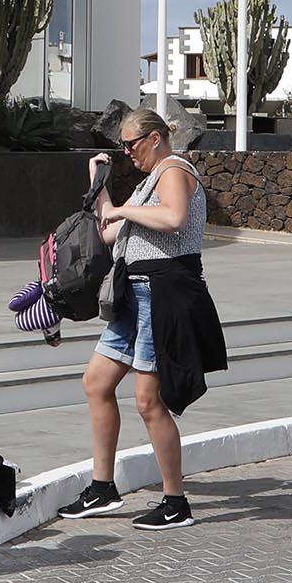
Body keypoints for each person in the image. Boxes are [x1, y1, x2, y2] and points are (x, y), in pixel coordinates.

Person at [57, 106, 225, 531]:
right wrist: (100, 187)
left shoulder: (173, 169)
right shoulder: (149, 181)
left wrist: (124, 211)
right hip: (134, 296)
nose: (127, 151)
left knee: (149, 401)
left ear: (154, 138)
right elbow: (108, 230)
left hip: (163, 295)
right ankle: (102, 487)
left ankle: (175, 501)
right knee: (96, 383)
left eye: (131, 143)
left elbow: (174, 218)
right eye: (122, 145)